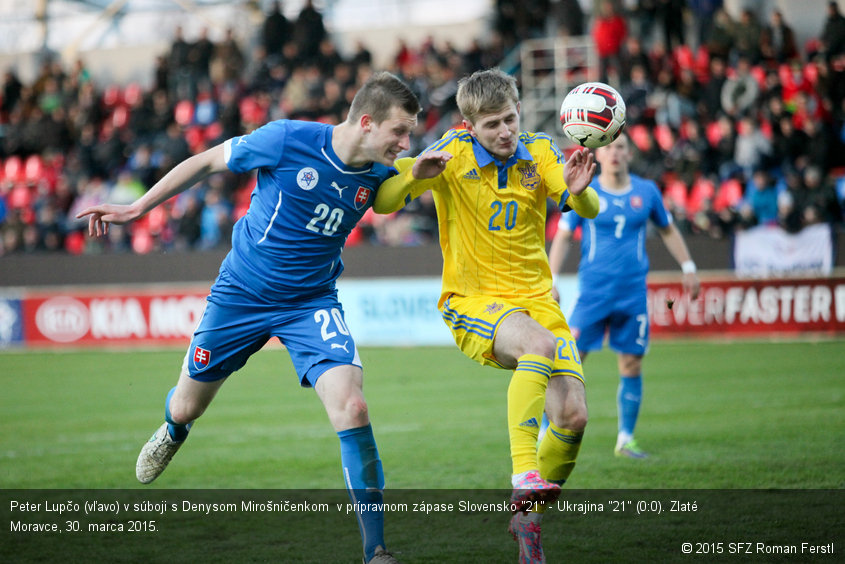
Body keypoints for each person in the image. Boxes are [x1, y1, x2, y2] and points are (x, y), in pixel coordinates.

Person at [75, 71, 420, 564]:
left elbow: (395, 196)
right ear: (367, 122)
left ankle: (376, 550)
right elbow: (207, 161)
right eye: (400, 132)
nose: (405, 143)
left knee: (354, 407)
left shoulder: (384, 172)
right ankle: (173, 429)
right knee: (188, 407)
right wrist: (137, 209)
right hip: (241, 295)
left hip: (312, 303)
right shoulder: (287, 139)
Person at [373, 68, 599, 564]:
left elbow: (588, 203)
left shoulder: (538, 151)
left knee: (573, 415)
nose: (505, 131)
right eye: (493, 123)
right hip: (474, 301)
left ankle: (529, 522)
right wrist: (414, 174)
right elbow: (383, 201)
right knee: (537, 345)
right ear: (469, 124)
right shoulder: (449, 154)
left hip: (538, 301)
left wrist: (580, 190)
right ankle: (524, 479)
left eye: (511, 119)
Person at [547, 133, 700, 459]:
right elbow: (562, 237)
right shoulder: (585, 191)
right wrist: (552, 278)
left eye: (620, 147)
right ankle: (546, 435)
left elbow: (668, 230)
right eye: (608, 148)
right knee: (570, 363)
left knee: (631, 363)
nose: (614, 152)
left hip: (632, 295)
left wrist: (688, 266)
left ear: (629, 153)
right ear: (598, 156)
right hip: (593, 294)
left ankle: (626, 439)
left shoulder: (647, 192)